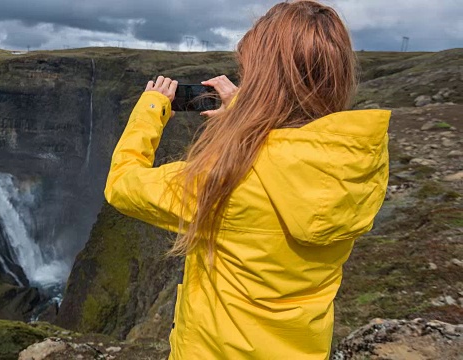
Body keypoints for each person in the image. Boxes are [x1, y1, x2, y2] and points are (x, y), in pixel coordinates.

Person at [104, 1, 390, 359]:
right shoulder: (356, 163)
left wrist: (150, 110)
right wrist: (245, 113)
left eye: (250, 71)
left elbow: (122, 183)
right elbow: (293, 149)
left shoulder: (226, 180)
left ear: (263, 81)